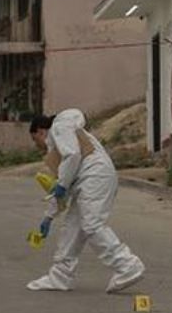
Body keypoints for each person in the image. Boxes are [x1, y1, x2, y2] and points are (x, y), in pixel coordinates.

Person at [26, 110, 146, 293]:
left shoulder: (59, 128)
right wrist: (48, 217)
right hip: (90, 179)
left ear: (41, 131)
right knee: (73, 225)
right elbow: (64, 183)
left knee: (92, 224)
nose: (37, 146)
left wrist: (62, 185)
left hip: (95, 177)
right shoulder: (60, 145)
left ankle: (128, 265)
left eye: (35, 140)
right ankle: (60, 275)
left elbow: (73, 156)